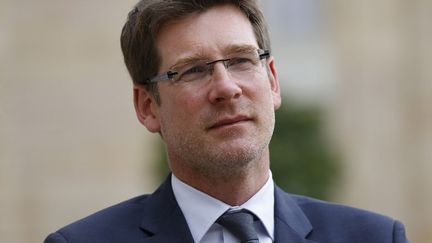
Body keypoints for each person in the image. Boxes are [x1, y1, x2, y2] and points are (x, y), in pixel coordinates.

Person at [44, 1, 409, 242]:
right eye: (193, 70)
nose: (226, 88)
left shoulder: (376, 237)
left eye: (240, 60)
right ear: (147, 107)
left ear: (273, 81)